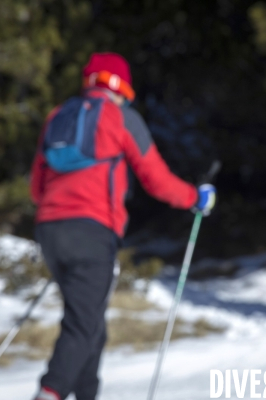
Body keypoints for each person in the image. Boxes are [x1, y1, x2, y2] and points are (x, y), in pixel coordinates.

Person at [30, 52, 216, 400]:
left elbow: (36, 188)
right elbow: (156, 179)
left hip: (50, 230)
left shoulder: (57, 116)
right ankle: (49, 392)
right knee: (83, 325)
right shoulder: (121, 118)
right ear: (121, 88)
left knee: (91, 327)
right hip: (92, 230)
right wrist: (196, 197)